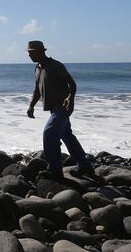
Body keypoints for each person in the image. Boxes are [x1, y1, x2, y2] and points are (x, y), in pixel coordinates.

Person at [26, 40, 93, 179]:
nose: (29, 55)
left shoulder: (56, 65)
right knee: (66, 135)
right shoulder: (37, 68)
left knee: (49, 132)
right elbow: (37, 89)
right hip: (53, 108)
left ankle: (54, 169)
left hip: (63, 106)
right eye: (28, 53)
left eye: (31, 53)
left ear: (41, 52)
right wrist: (31, 105)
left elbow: (72, 83)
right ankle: (85, 166)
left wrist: (70, 97)